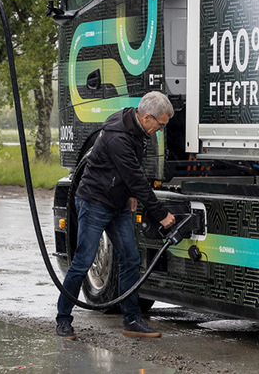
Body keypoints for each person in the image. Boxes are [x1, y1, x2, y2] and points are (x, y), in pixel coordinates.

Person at [56, 91, 177, 340]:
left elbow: (130, 170)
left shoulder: (136, 129)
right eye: (161, 124)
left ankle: (131, 320)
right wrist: (161, 214)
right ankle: (63, 320)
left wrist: (129, 194)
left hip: (117, 203)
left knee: (130, 258)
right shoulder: (118, 137)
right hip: (95, 202)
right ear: (147, 117)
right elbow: (136, 177)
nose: (161, 130)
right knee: (83, 261)